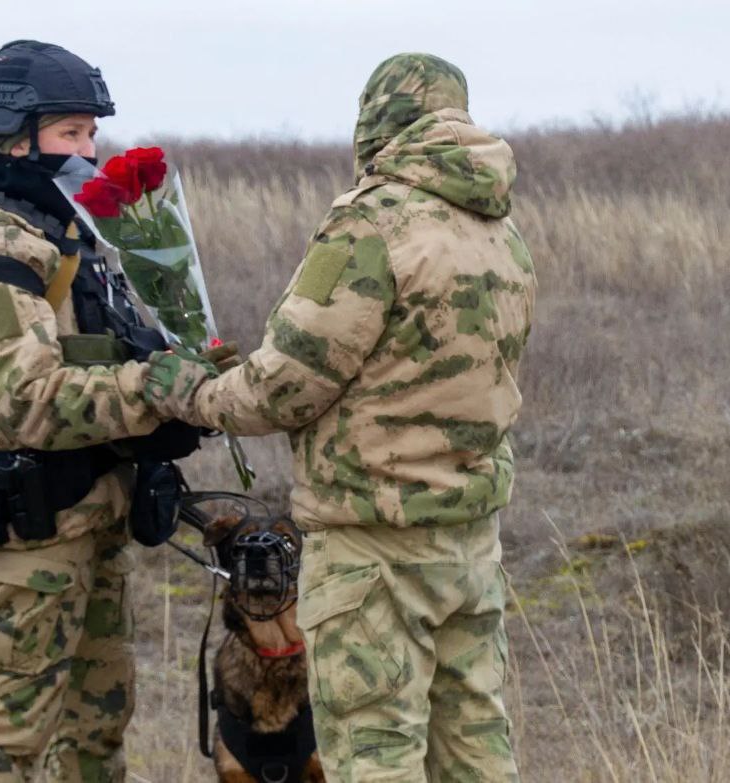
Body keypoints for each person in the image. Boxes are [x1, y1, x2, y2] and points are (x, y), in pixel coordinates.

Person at [145, 53, 536, 782]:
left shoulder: (371, 226)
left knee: (375, 755)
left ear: (376, 125)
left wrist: (193, 388)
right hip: (470, 545)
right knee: (476, 751)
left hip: (373, 546)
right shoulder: (500, 233)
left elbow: (284, 386)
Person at [0, 40, 218, 783]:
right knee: (7, 744)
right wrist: (157, 391)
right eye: (69, 134)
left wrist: (192, 383)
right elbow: (28, 400)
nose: (88, 151)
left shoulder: (75, 243)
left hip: (97, 523)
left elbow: (110, 362)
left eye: (92, 133)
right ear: (12, 141)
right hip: (37, 536)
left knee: (96, 734)